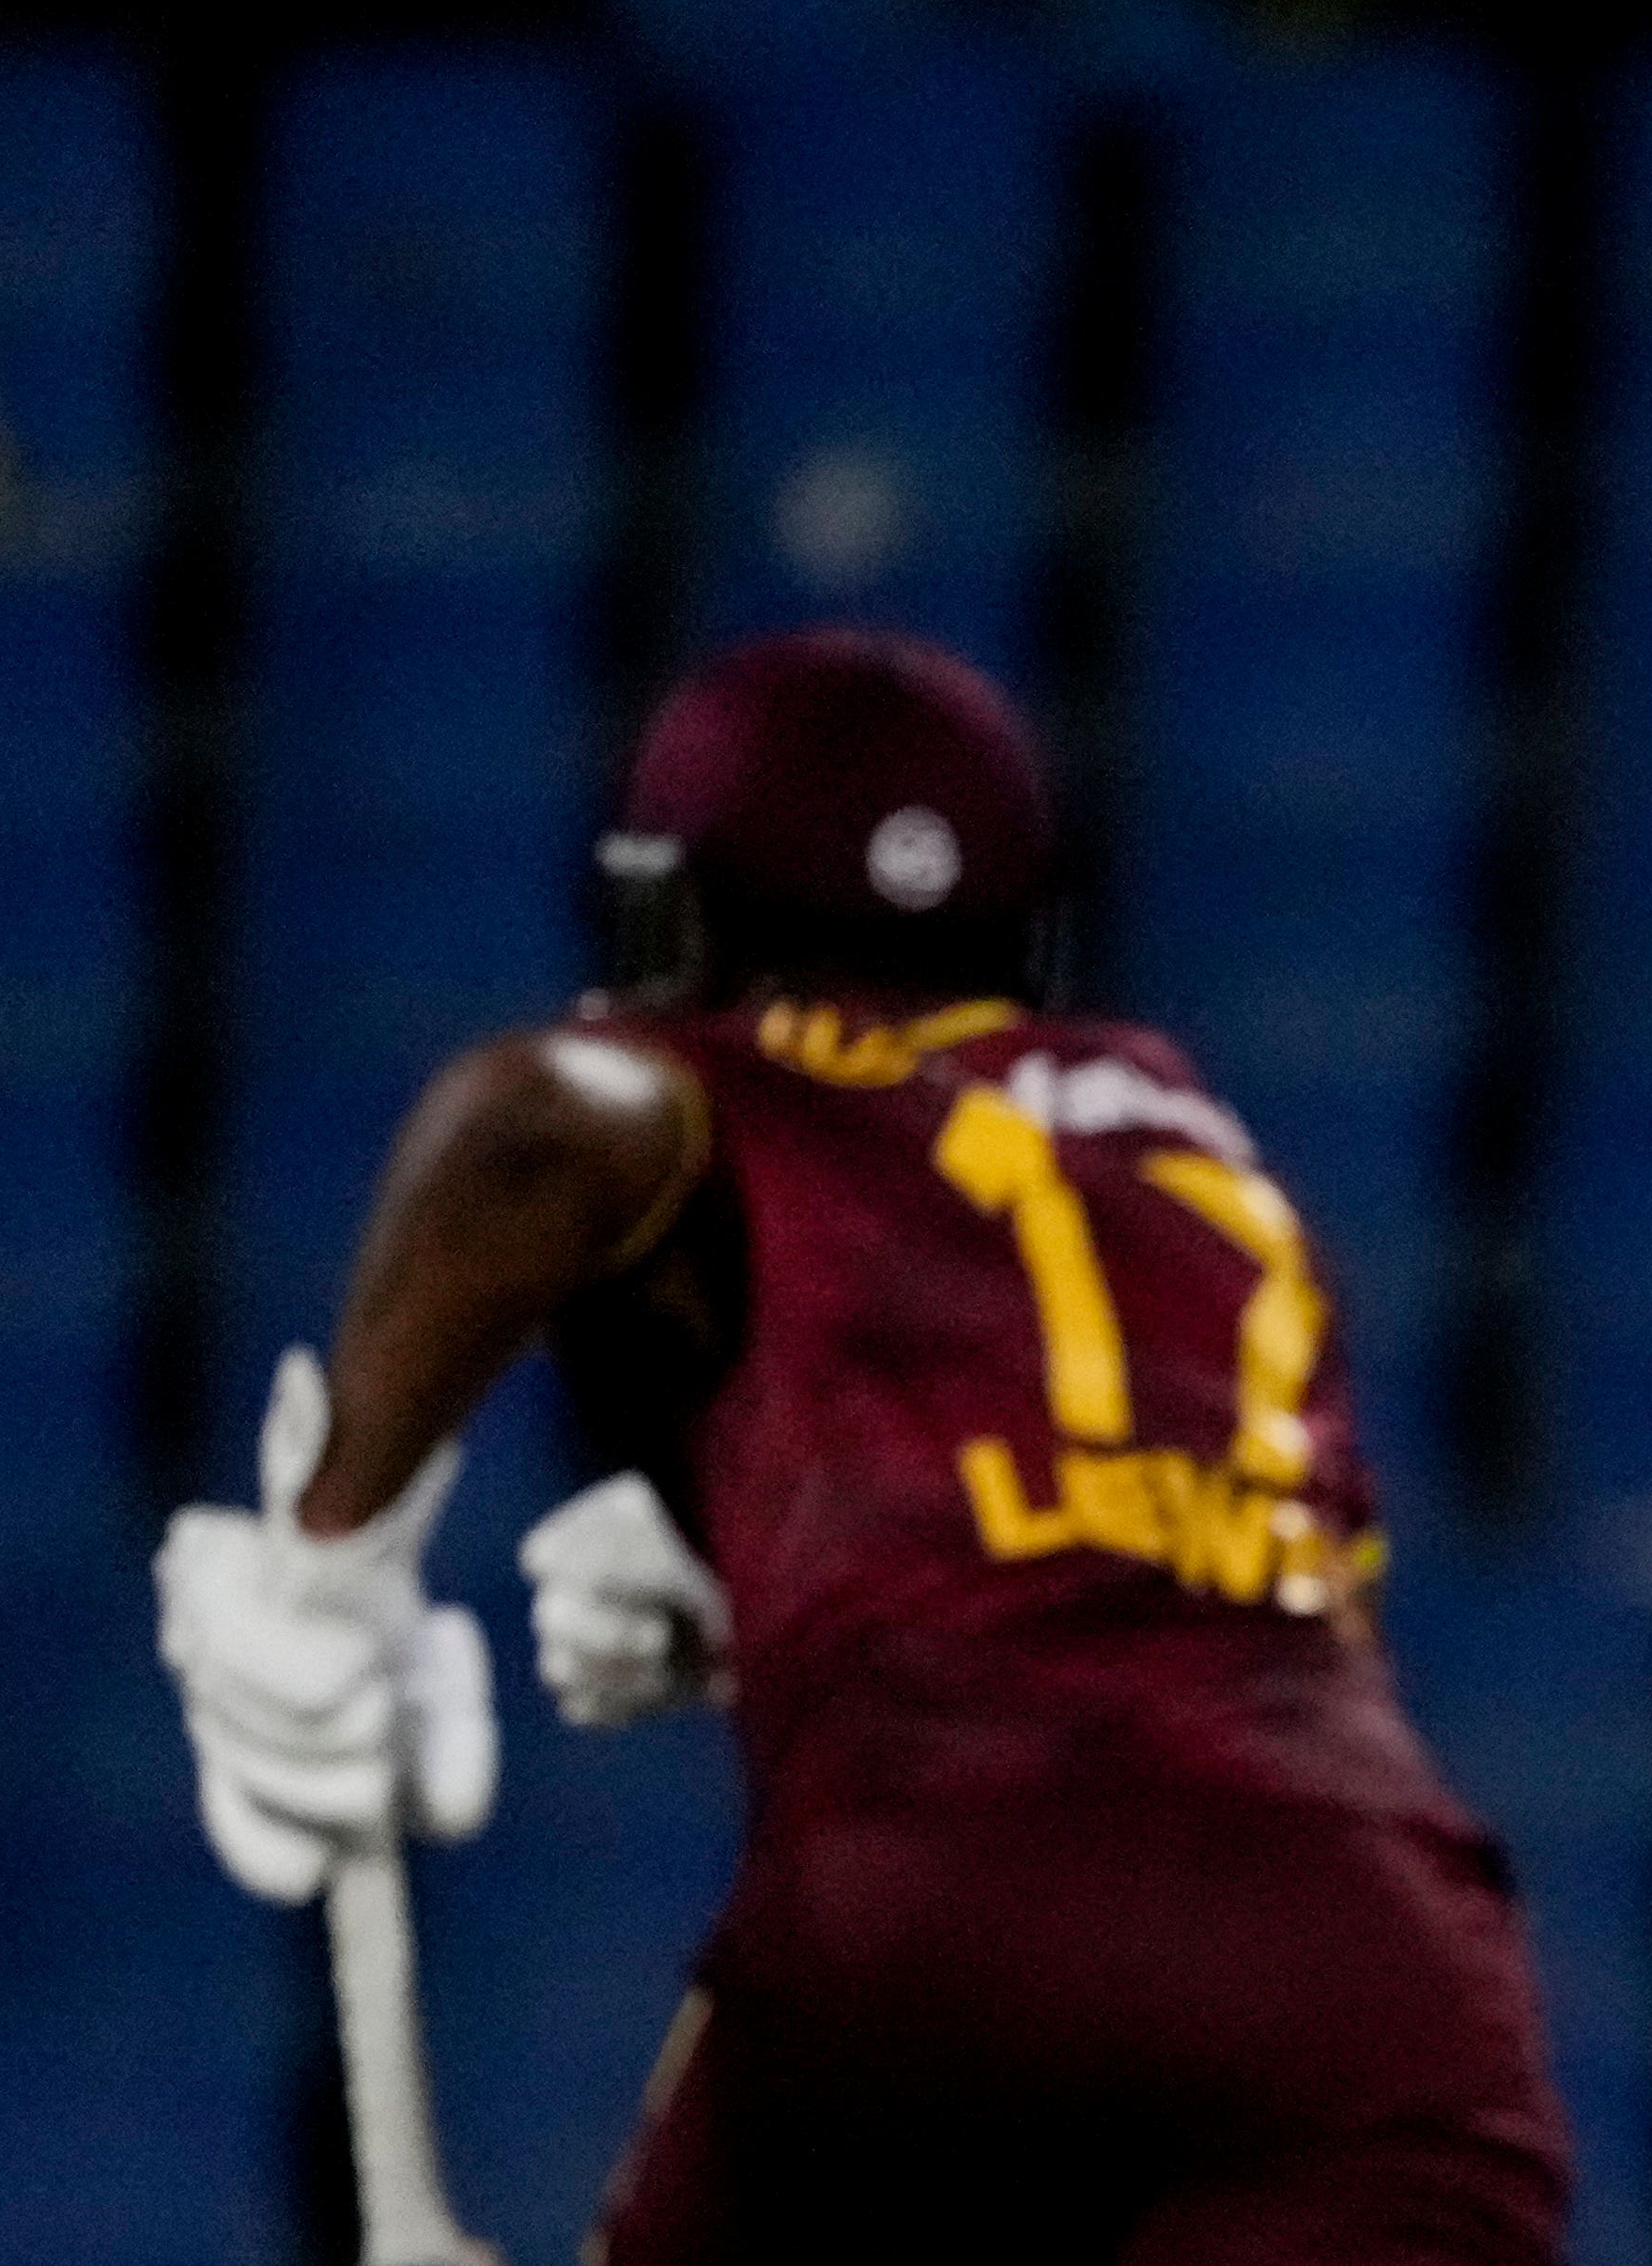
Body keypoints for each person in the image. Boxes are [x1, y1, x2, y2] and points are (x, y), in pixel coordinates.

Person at [152, 629, 1572, 2264]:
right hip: (1369, 1952)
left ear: (674, 919)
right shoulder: (1194, 1144)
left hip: (950, 1897)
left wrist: (333, 1553)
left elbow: (547, 1116)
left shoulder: (733, 1074)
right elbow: (1165, 1625)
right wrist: (755, 1588)